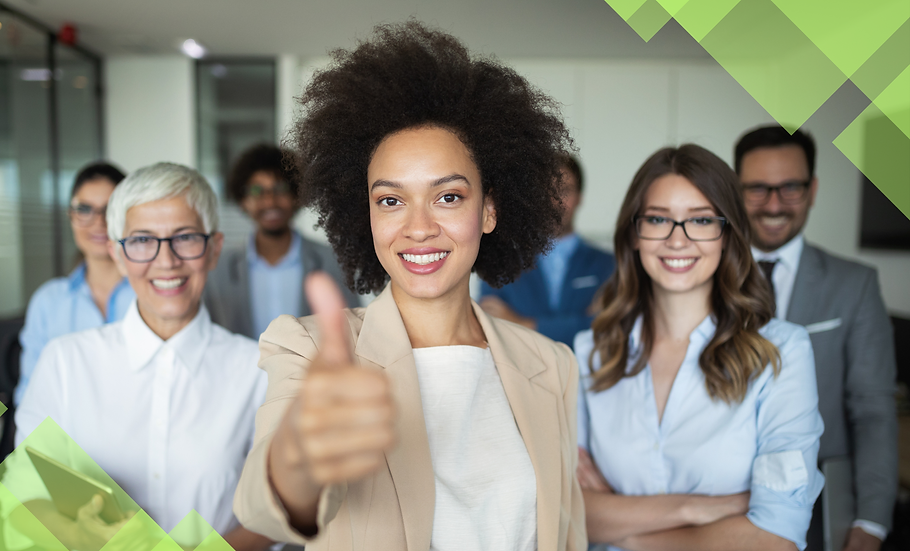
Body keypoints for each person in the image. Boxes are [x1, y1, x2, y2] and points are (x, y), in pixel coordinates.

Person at [233, 21, 586, 551]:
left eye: (448, 197)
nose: (418, 227)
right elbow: (268, 507)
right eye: (391, 200)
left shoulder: (551, 365)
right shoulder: (308, 349)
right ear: (366, 216)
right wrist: (299, 450)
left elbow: (567, 532)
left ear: (489, 210)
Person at [1, 163, 273, 551]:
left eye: (186, 238)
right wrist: (77, 535)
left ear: (213, 250)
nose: (166, 261)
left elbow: (276, 512)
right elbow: (22, 494)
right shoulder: (65, 362)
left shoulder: (257, 370)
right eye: (143, 240)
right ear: (117, 253)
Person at [575, 144, 824, 551]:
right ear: (634, 234)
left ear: (727, 234)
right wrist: (695, 509)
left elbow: (777, 537)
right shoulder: (592, 353)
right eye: (658, 219)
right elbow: (569, 511)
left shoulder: (782, 352)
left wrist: (630, 534)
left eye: (701, 220)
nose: (678, 240)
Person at [735, 125, 898, 551]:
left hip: (820, 499)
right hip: (716, 496)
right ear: (734, 191)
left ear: (813, 189)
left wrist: (872, 520)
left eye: (790, 187)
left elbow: (873, 409)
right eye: (757, 189)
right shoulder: (700, 275)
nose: (774, 204)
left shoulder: (855, 284)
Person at [204, 144, 358, 339]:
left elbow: (353, 330)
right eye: (257, 190)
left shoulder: (333, 262)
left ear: (296, 196)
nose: (270, 201)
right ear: (243, 200)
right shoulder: (218, 269)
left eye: (281, 189)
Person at [15, 162, 136, 406]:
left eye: (110, 209)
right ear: (71, 216)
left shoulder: (152, 293)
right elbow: (31, 397)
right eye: (84, 209)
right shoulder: (48, 301)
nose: (98, 222)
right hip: (64, 440)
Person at [479, 154, 615, 345]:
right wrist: (580, 323)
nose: (555, 201)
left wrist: (522, 323)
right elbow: (491, 331)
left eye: (565, 190)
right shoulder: (499, 263)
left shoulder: (610, 266)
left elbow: (607, 329)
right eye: (546, 190)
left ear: (579, 198)